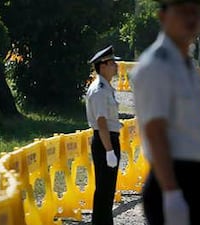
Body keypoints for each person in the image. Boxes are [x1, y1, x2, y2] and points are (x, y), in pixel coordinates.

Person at [131, 0, 200, 224]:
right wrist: (171, 193)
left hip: (196, 178)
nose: (191, 18)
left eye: (196, 12)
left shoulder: (185, 63)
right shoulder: (156, 65)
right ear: (163, 16)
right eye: (182, 11)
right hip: (173, 180)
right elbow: (155, 131)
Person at [86, 45, 121, 225]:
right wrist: (109, 150)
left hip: (107, 139)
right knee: (104, 190)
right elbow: (101, 121)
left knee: (107, 191)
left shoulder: (105, 87)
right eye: (113, 63)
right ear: (103, 65)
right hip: (104, 141)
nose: (116, 66)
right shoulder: (100, 89)